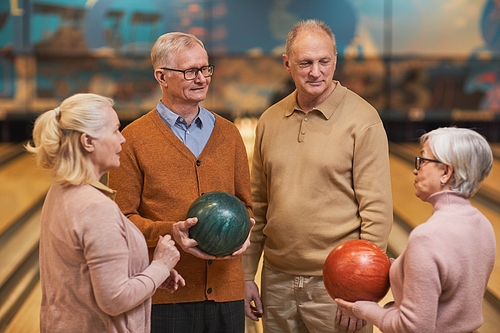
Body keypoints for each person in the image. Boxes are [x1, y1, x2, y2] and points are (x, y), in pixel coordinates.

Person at [242, 19, 393, 333]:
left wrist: (360, 291)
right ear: (287, 64)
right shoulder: (270, 120)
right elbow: (257, 207)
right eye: (305, 63)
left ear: (335, 59)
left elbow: (377, 214)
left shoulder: (363, 120)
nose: (316, 71)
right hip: (276, 280)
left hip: (337, 287)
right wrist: (246, 275)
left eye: (324, 62)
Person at [107, 32, 254, 333]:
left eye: (205, 69)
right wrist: (169, 231)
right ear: (161, 76)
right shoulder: (133, 140)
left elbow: (246, 206)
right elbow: (121, 221)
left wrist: (244, 230)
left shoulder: (229, 134)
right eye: (190, 71)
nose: (201, 78)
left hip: (226, 291)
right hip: (166, 293)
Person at [26, 93, 185, 333]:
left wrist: (147, 275)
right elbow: (115, 299)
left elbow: (86, 275)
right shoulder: (96, 208)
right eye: (115, 131)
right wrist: (160, 265)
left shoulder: (61, 190)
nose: (122, 140)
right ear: (88, 141)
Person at [335, 127, 496, 333]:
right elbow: (449, 287)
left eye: (423, 160)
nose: (415, 169)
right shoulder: (482, 225)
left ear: (446, 172)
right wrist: (398, 269)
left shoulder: (427, 237)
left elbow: (413, 328)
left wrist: (364, 309)